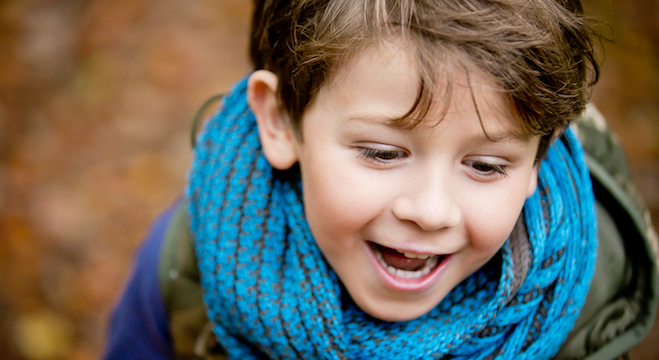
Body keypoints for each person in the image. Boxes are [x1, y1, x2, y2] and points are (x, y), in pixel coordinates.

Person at [104, 0, 659, 359]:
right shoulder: (195, 264)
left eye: (486, 166)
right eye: (382, 153)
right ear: (280, 122)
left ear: (538, 161)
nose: (431, 210)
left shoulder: (583, 301)